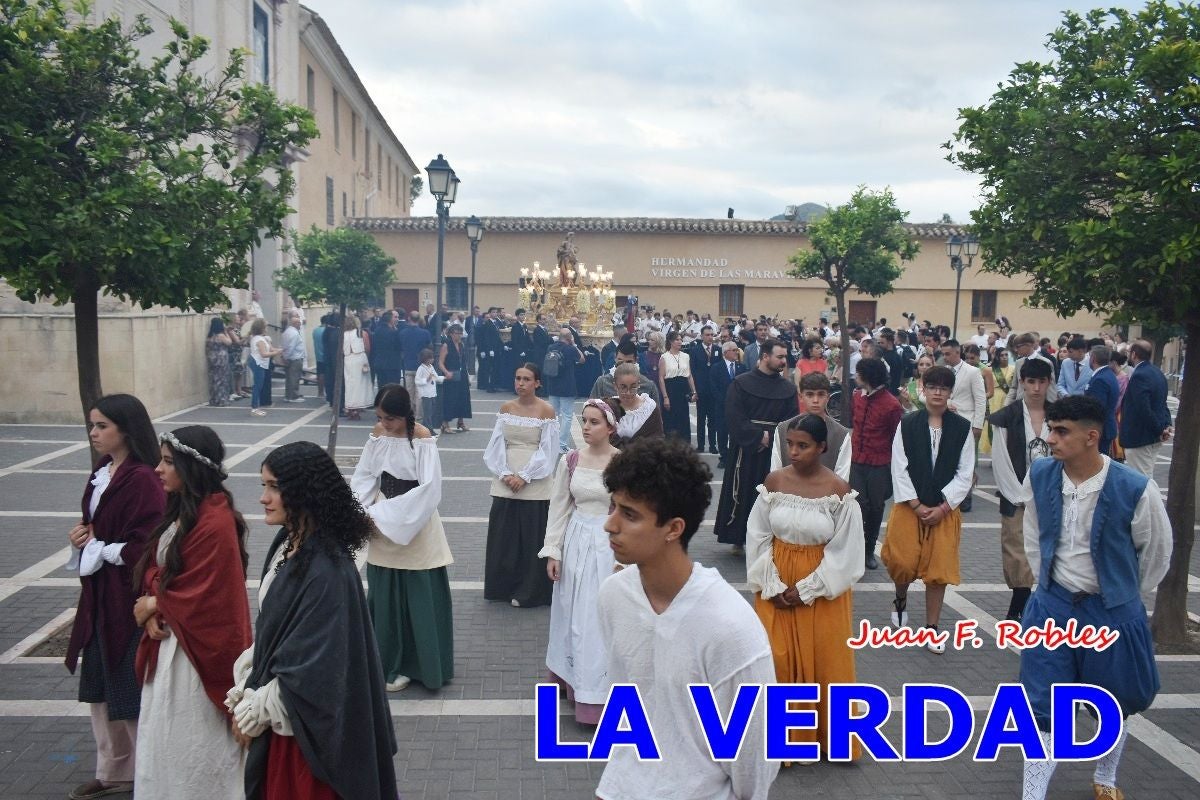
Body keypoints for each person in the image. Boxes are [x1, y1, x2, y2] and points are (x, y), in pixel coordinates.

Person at [596, 437, 778, 798]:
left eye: (629, 514)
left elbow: (755, 753)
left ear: (674, 529)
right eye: (612, 506)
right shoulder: (613, 595)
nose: (610, 525)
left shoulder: (730, 626)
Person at [1018, 396, 1171, 800]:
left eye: (1061, 431)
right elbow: (1033, 533)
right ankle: (1032, 795)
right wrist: (1043, 585)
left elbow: (1156, 552)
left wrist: (1124, 599)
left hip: (1110, 613)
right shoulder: (1041, 474)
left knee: (1113, 703)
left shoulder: (1136, 488)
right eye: (1050, 428)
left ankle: (1106, 774)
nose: (1050, 438)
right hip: (1052, 605)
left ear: (1092, 436)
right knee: (1042, 707)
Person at [229, 441, 396, 799]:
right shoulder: (289, 543)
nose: (263, 497)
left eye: (274, 487)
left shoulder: (327, 568)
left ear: (302, 491)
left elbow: (315, 667)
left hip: (309, 737)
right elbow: (280, 631)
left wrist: (256, 709)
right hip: (287, 725)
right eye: (264, 486)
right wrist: (251, 680)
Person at [131, 426, 251, 799]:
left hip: (197, 658)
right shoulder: (183, 510)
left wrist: (154, 604)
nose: (158, 469)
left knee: (193, 744)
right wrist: (154, 609)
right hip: (172, 645)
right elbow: (157, 567)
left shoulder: (216, 522)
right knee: (166, 741)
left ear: (191, 466)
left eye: (168, 462)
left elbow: (208, 597)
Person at [65, 394, 166, 800]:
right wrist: (81, 540)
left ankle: (147, 770)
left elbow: (148, 539)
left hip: (126, 594)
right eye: (92, 425)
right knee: (102, 685)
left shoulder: (142, 477)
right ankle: (113, 770)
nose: (94, 433)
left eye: (102, 425)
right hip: (99, 594)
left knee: (129, 683)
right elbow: (94, 526)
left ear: (126, 429)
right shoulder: (102, 473)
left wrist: (102, 547)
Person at [746, 414, 865, 760]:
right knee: (775, 661)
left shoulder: (838, 491)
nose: (794, 452)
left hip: (823, 588)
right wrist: (771, 583)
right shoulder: (774, 482)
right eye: (790, 444)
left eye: (803, 446)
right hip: (775, 582)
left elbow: (847, 552)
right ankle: (780, 739)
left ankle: (825, 737)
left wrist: (810, 588)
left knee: (825, 662)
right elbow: (757, 535)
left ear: (822, 448)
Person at [352, 385, 455, 692]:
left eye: (390, 419)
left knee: (418, 593)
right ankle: (387, 662)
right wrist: (362, 510)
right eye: (380, 417)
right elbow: (366, 475)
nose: (384, 424)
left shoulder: (422, 438)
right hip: (380, 516)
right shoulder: (378, 433)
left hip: (414, 521)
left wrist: (386, 515)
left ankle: (420, 665)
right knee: (383, 593)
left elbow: (429, 490)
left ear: (405, 414)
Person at [881, 365, 975, 653]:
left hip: (944, 509)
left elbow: (965, 472)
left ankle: (932, 628)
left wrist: (944, 507)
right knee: (903, 563)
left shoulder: (962, 428)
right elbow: (899, 466)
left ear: (950, 392)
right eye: (933, 386)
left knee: (938, 570)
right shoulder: (908, 424)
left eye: (944, 388)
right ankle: (900, 599)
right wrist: (916, 504)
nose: (938, 392)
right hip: (910, 507)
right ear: (923, 388)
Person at [540, 399, 620, 724]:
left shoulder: (623, 464)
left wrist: (627, 558)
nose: (586, 427)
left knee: (595, 619)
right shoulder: (571, 460)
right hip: (576, 541)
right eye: (584, 421)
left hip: (608, 545)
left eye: (594, 422)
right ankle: (570, 677)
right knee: (571, 613)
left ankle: (597, 695)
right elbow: (559, 508)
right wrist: (553, 551)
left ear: (611, 427)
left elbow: (633, 512)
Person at [483, 363, 560, 607]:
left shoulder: (546, 410)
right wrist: (505, 473)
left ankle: (530, 591)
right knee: (504, 538)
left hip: (535, 482)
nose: (521, 383)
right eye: (518, 378)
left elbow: (549, 449)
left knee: (530, 539)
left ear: (537, 383)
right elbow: (496, 444)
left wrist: (525, 476)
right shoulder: (506, 408)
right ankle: (501, 587)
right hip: (506, 479)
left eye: (527, 379)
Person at [714, 339, 797, 552]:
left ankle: (768, 538)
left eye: (784, 357)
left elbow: (791, 420)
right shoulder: (741, 383)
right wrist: (757, 436)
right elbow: (733, 415)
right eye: (779, 357)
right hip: (745, 449)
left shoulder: (787, 388)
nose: (783, 361)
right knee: (742, 491)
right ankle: (738, 537)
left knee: (769, 495)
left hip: (774, 451)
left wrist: (770, 437)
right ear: (765, 356)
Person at [988, 357, 1053, 623]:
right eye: (1031, 382)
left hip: (1051, 496)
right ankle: (1018, 608)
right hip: (1016, 497)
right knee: (1016, 550)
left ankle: (1038, 609)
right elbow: (1000, 460)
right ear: (1023, 383)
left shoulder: (1060, 414)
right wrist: (1019, 495)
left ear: (1049, 383)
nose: (1036, 388)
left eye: (1041, 382)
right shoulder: (1008, 416)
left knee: (1051, 549)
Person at [849, 357, 903, 569]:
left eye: (859, 373)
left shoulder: (892, 405)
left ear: (868, 376)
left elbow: (896, 438)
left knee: (876, 507)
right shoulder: (857, 397)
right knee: (857, 504)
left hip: (880, 463)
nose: (855, 376)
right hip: (856, 460)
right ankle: (855, 546)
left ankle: (869, 549)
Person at [771, 372, 851, 479]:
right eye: (810, 394)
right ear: (801, 397)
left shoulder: (841, 434)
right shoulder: (783, 429)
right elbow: (776, 472)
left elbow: (842, 479)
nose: (815, 400)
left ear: (827, 397)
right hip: (788, 493)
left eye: (820, 394)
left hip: (827, 494)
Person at [942, 339, 986, 512]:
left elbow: (980, 399)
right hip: (946, 421)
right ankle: (949, 494)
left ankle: (966, 498)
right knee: (949, 459)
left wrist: (978, 425)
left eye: (947, 354)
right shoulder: (943, 371)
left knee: (966, 461)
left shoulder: (973, 372)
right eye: (943, 354)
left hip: (967, 421)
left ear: (957, 353)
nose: (944, 357)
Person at [1119, 339, 1172, 478]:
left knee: (1141, 480)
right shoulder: (1157, 372)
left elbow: (1143, 409)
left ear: (1134, 354)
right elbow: (1162, 403)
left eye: (1129, 352)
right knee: (1146, 476)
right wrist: (1166, 425)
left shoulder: (1139, 376)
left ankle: (1150, 501)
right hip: (1152, 436)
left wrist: (1160, 429)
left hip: (1140, 438)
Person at [546, 327, 586, 452]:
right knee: (567, 415)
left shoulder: (550, 347)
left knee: (553, 415)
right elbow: (582, 359)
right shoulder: (570, 349)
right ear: (569, 337)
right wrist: (574, 344)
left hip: (552, 385)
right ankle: (562, 444)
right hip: (567, 385)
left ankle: (552, 442)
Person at [710, 340, 747, 469]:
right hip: (722, 407)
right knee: (722, 432)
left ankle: (734, 456)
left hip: (738, 408)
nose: (737, 352)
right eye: (734, 350)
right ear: (726, 352)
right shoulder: (716, 368)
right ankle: (724, 457)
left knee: (736, 431)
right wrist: (725, 401)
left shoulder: (742, 368)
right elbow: (713, 387)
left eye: (737, 350)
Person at [609, 362, 664, 446]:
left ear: (638, 385)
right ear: (615, 386)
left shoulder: (650, 408)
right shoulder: (608, 407)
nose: (628, 392)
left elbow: (658, 439)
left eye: (633, 387)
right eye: (623, 387)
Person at [687, 326, 722, 454]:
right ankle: (701, 445)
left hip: (713, 392)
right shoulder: (694, 350)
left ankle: (713, 445)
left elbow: (720, 371)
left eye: (712, 335)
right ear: (701, 336)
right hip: (701, 391)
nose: (710, 337)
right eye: (707, 335)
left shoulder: (718, 350)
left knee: (713, 420)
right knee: (701, 419)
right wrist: (694, 391)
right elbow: (692, 371)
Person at [657, 331, 696, 441]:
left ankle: (685, 445)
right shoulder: (664, 357)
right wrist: (665, 397)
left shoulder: (686, 356)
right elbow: (661, 378)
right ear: (671, 342)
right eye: (677, 340)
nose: (680, 342)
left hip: (683, 390)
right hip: (670, 389)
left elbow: (689, 375)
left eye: (681, 340)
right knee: (671, 420)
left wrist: (694, 392)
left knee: (683, 419)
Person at [1085, 345, 1120, 457]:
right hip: (1105, 427)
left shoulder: (1100, 379)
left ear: (1093, 358)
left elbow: (1096, 408)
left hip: (1100, 430)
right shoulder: (1108, 374)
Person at [439, 323, 473, 434]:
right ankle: (445, 424)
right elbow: (440, 363)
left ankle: (460, 422)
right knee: (450, 399)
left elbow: (463, 362)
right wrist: (446, 372)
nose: (459, 335)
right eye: (457, 333)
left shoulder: (462, 345)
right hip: (451, 375)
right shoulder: (446, 345)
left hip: (462, 375)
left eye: (460, 333)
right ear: (451, 334)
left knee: (463, 398)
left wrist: (467, 377)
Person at [980, 347, 1014, 454]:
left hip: (1007, 398)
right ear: (997, 357)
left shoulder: (1013, 368)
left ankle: (1004, 450)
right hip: (993, 399)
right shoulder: (990, 369)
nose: (1004, 357)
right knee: (993, 424)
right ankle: (993, 449)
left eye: (1006, 355)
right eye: (1002, 355)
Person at [248, 318, 281, 417]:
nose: (267, 328)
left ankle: (256, 407)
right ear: (261, 328)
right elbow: (264, 354)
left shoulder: (261, 338)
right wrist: (276, 352)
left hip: (259, 362)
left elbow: (270, 348)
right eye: (265, 326)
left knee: (259, 385)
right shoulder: (259, 339)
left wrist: (280, 350)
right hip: (258, 362)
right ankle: (254, 408)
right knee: (258, 386)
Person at [415, 347, 445, 432]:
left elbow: (435, 377)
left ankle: (425, 426)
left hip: (432, 392)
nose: (432, 360)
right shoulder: (421, 368)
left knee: (431, 411)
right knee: (427, 412)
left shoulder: (431, 367)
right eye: (430, 358)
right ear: (425, 359)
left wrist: (444, 378)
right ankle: (429, 429)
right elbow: (417, 381)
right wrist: (426, 380)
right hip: (425, 394)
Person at [205, 317, 233, 407]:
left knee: (214, 379)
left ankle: (213, 399)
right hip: (221, 359)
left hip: (212, 358)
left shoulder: (209, 336)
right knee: (222, 379)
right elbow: (229, 342)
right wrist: (226, 332)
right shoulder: (221, 335)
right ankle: (222, 399)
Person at [281, 311, 306, 402]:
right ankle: (293, 396)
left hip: (289, 358)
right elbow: (291, 347)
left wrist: (284, 357)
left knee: (289, 378)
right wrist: (286, 357)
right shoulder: (294, 333)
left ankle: (288, 395)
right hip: (295, 358)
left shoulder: (287, 332)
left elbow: (284, 346)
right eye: (299, 323)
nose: (300, 325)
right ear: (295, 324)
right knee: (294, 378)